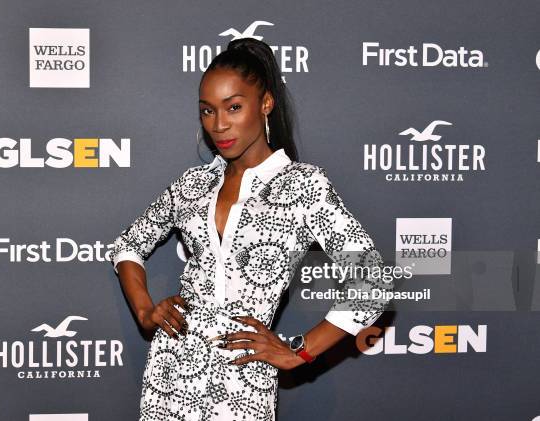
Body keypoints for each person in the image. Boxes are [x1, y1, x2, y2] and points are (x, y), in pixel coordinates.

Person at [109, 38, 391, 421]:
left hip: (243, 378)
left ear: (266, 104)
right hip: (170, 370)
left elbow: (372, 280)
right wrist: (145, 311)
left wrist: (299, 351)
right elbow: (128, 245)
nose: (219, 124)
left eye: (234, 107)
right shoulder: (193, 185)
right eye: (207, 111)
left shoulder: (303, 186)